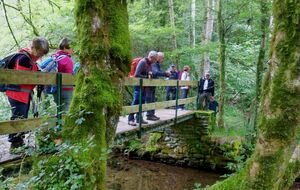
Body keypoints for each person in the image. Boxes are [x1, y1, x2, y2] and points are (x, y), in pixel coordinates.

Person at [5, 37, 49, 150]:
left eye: (42, 54)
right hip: (17, 93)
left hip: (22, 93)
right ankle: (14, 145)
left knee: (21, 117)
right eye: (39, 53)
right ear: (33, 48)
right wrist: (37, 78)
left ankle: (19, 143)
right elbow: (22, 79)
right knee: (18, 118)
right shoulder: (24, 59)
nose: (41, 56)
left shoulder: (29, 59)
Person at [128, 51, 158, 126]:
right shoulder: (142, 62)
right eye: (155, 59)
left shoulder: (149, 64)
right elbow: (136, 75)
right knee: (136, 102)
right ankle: (130, 119)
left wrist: (149, 74)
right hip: (138, 86)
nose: (155, 61)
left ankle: (139, 118)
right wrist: (146, 77)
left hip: (144, 87)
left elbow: (147, 73)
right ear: (151, 57)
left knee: (142, 102)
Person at [146, 52, 170, 121]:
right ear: (158, 57)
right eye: (162, 58)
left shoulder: (157, 64)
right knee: (150, 99)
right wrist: (165, 74)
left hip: (153, 84)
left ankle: (152, 114)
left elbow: (158, 72)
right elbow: (155, 72)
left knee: (152, 99)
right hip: (149, 84)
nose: (163, 60)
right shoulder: (154, 63)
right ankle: (149, 115)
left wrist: (164, 74)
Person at [53, 38, 74, 112]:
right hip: (66, 90)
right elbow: (69, 77)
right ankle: (63, 124)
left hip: (55, 90)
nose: (73, 50)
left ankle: (58, 123)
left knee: (59, 112)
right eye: (71, 48)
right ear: (65, 48)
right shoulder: (67, 60)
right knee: (66, 112)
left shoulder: (55, 57)